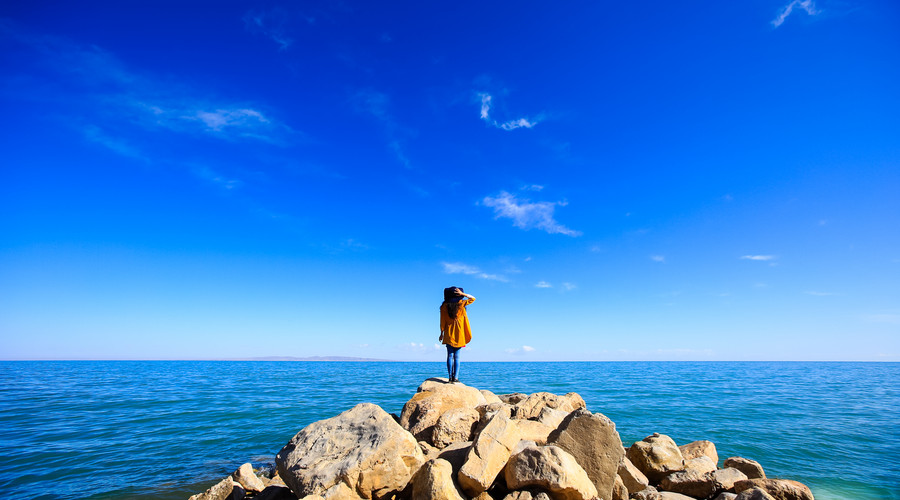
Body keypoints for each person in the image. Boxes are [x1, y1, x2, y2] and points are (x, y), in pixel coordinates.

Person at [439, 286, 476, 383]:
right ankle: (455, 378)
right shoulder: (461, 303)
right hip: (459, 333)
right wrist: (463, 294)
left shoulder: (444, 306)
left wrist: (441, 333)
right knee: (457, 356)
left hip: (448, 332)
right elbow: (473, 298)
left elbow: (442, 321)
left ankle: (450, 378)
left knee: (450, 356)